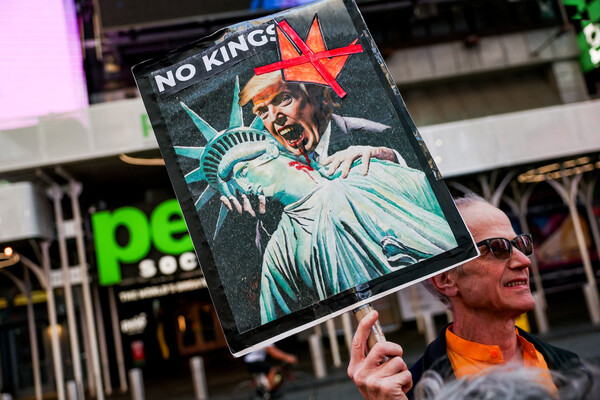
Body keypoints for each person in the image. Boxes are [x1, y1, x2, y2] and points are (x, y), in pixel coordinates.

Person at [347, 194, 582, 400]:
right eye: (498, 248)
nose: (524, 260)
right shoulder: (411, 391)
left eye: (521, 244)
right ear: (445, 279)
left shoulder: (570, 366)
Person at [219, 137, 456, 323]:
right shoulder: (279, 250)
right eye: (236, 185)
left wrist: (389, 156)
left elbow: (442, 208)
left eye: (243, 173)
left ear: (270, 152)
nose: (245, 187)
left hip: (451, 290)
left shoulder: (363, 170)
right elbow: (272, 323)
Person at [238, 71, 406, 180]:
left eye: (284, 99)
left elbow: (416, 168)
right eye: (262, 111)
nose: (274, 117)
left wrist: (388, 157)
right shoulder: (275, 170)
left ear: (319, 97)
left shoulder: (372, 135)